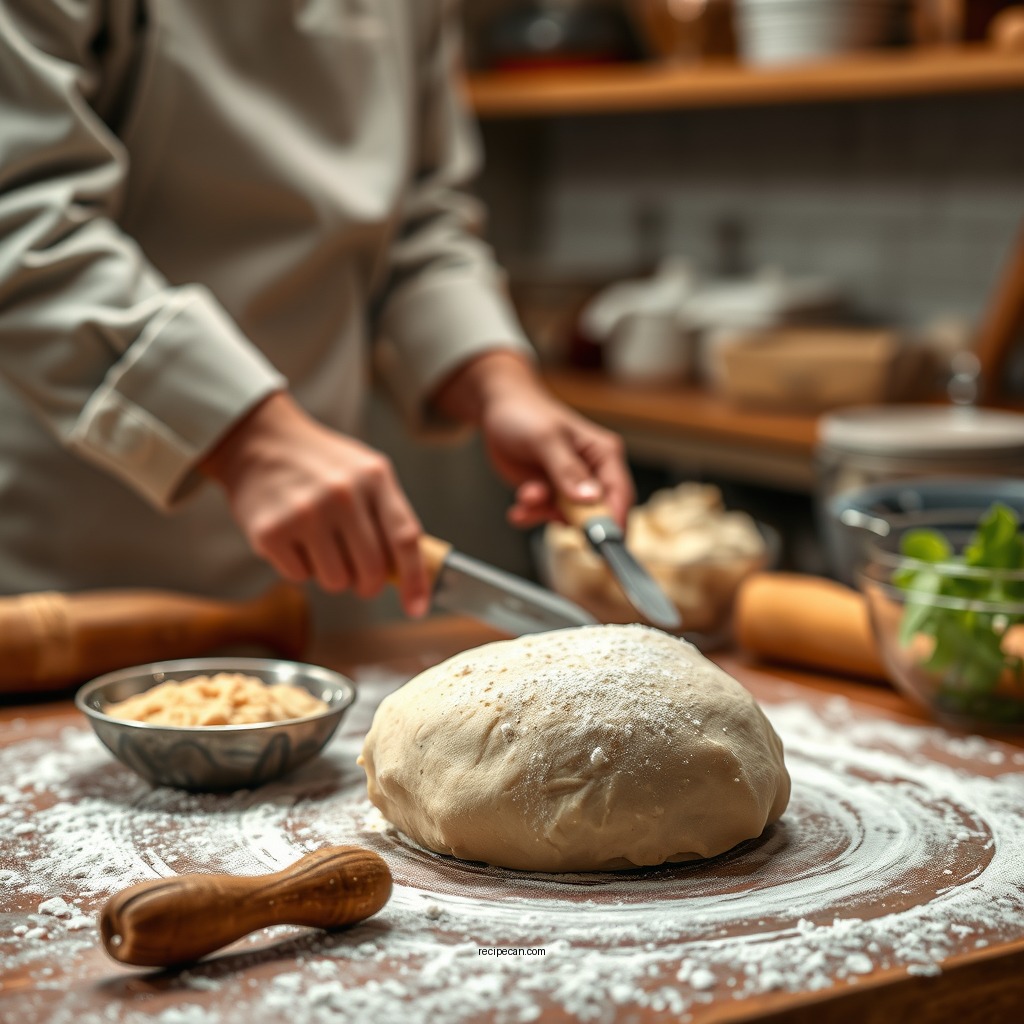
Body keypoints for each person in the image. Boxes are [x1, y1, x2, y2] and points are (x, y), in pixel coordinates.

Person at [0, 1, 633, 622]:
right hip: (71, 555)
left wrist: (500, 385)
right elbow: (22, 216)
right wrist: (251, 440)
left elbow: (419, 222)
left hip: (314, 558)